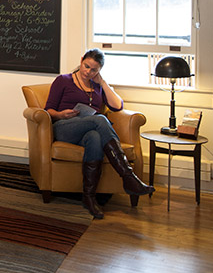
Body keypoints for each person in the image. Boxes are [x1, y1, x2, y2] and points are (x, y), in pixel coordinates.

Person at [45, 48, 154, 219]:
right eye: (86, 66)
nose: (88, 72)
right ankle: (128, 177)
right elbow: (48, 110)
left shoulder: (97, 86)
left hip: (87, 132)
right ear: (81, 60)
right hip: (64, 127)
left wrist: (102, 83)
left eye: (94, 69)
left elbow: (118, 106)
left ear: (99, 70)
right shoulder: (63, 80)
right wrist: (60, 114)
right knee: (100, 119)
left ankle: (89, 197)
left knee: (95, 137)